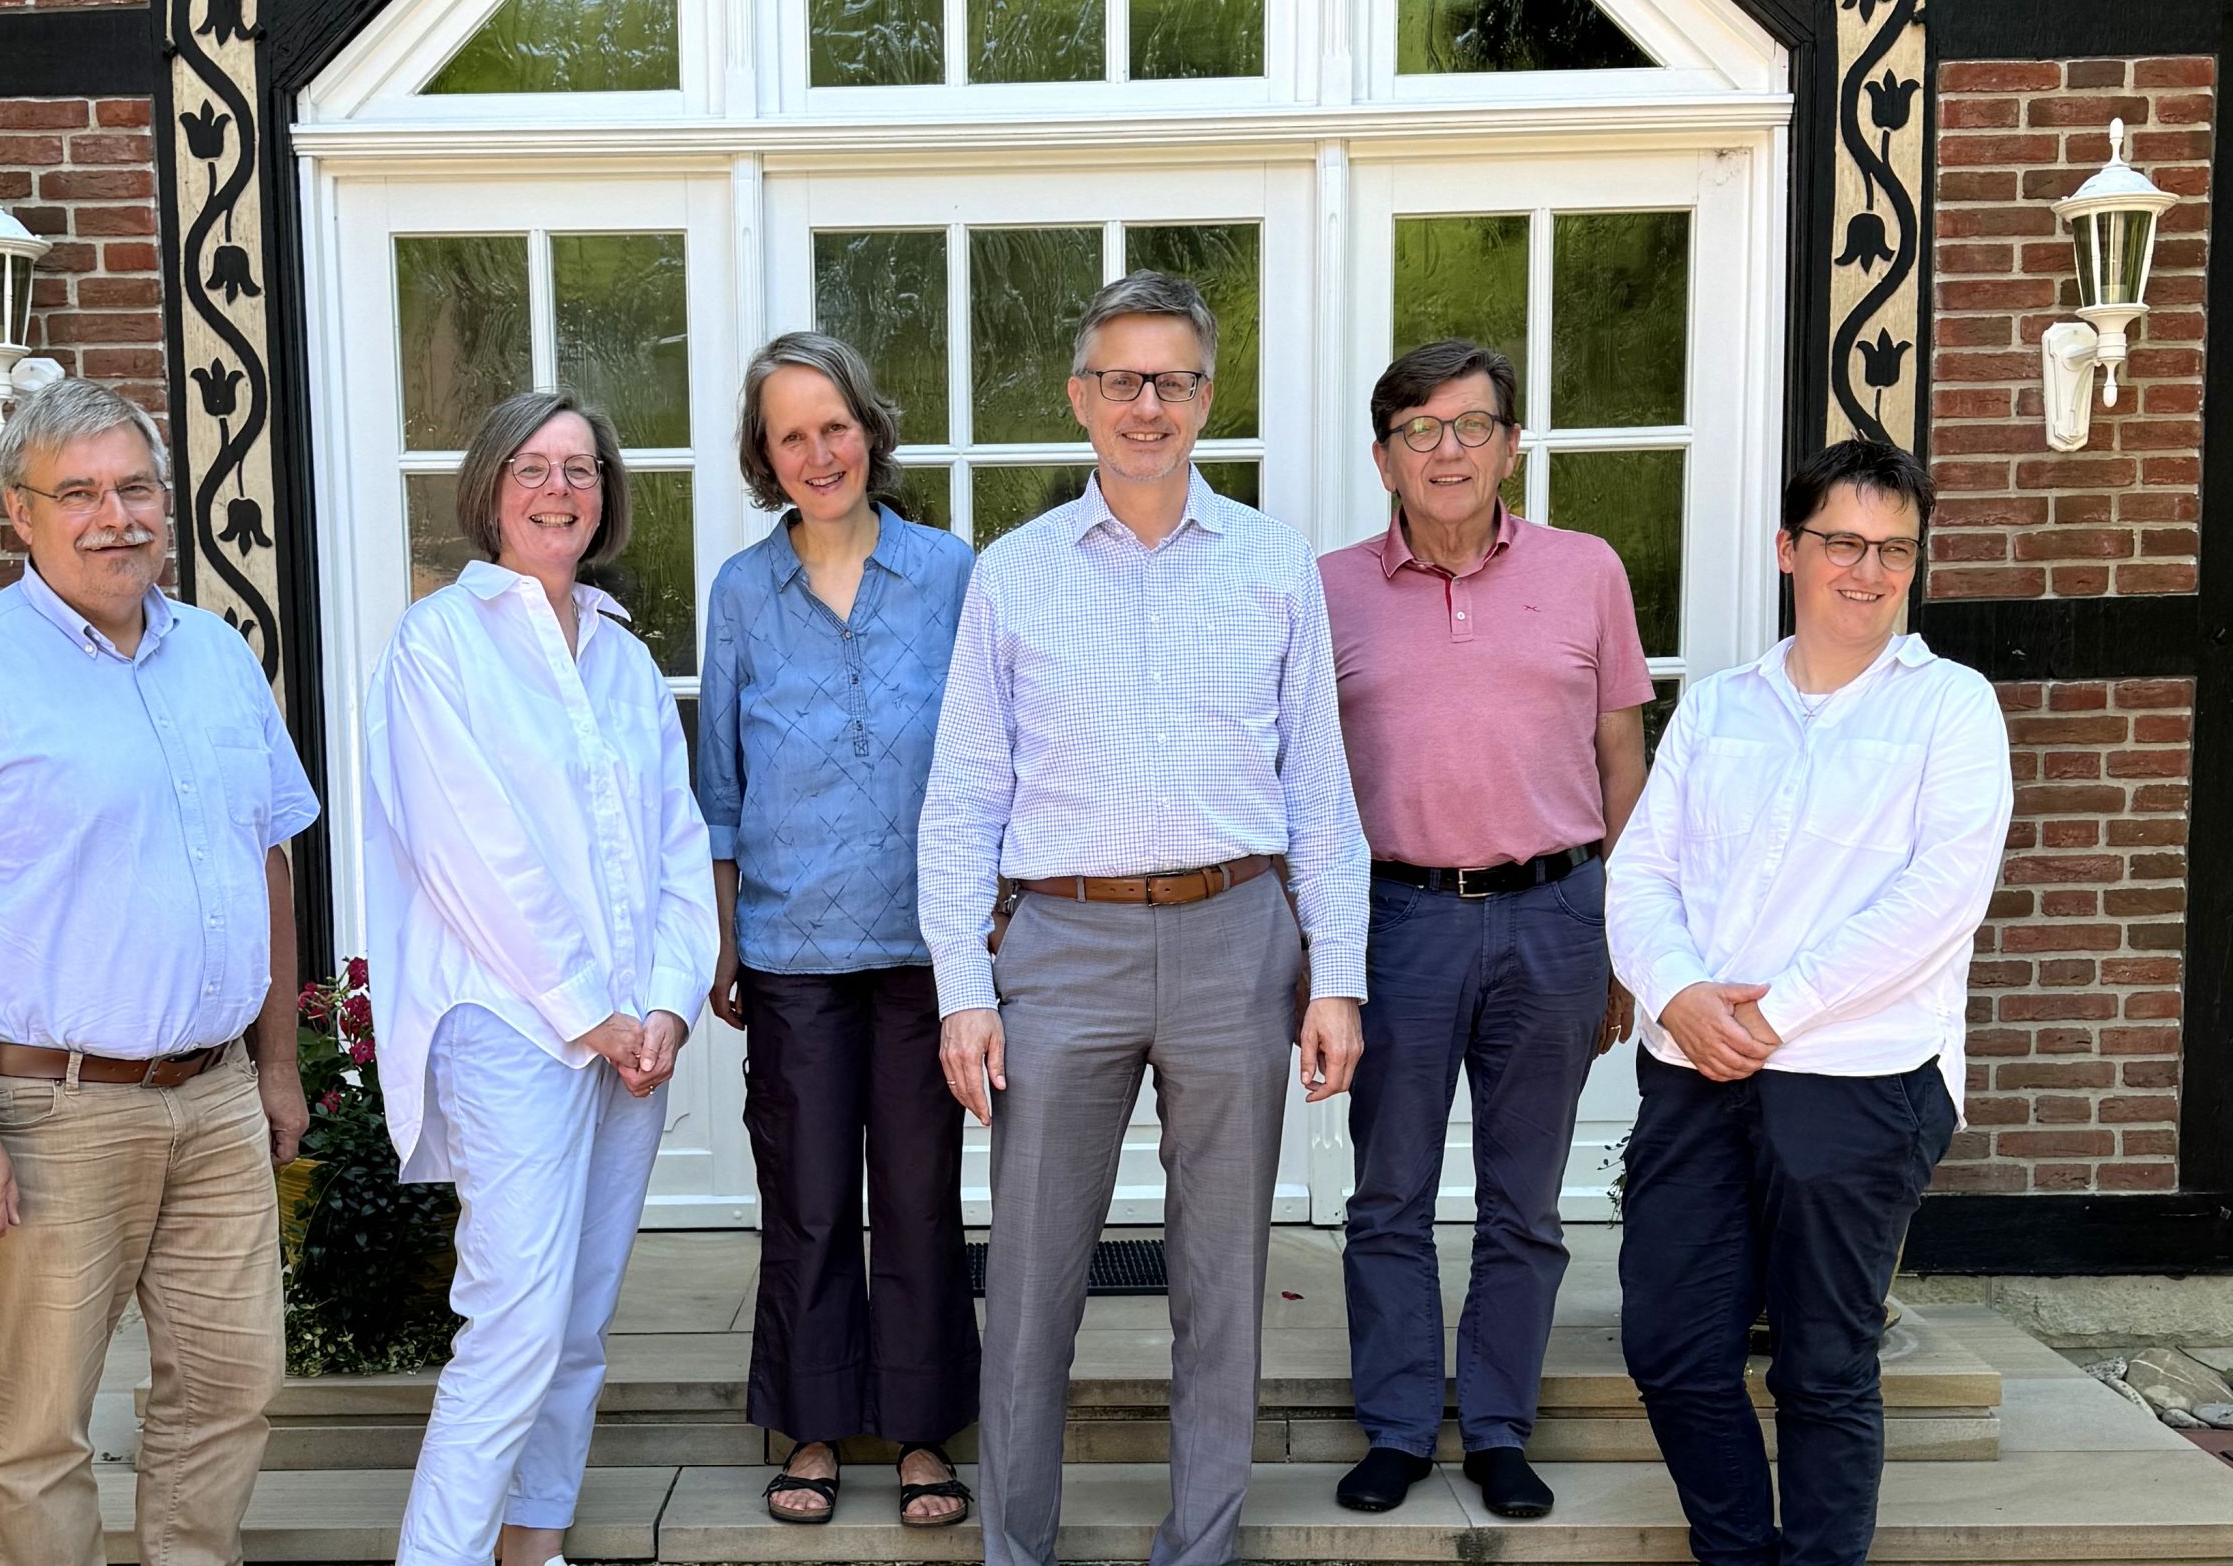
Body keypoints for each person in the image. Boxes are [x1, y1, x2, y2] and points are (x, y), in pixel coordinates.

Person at [920, 270, 1371, 1566]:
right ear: (1080, 397)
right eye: (1121, 379)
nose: (1146, 404)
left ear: (1207, 397)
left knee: (1223, 1276)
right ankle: (1017, 1547)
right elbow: (962, 794)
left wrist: (1335, 975)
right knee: (1032, 1277)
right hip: (1061, 946)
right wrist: (963, 987)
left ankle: (1201, 1544)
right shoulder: (1014, 574)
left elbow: (1319, 789)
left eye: (1172, 379)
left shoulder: (1275, 564)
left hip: (1238, 937)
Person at [0, 378, 318, 1566]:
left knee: (228, 1392)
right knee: (42, 1421)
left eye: (136, 487)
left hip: (214, 1099)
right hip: (50, 1109)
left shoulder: (217, 656)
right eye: (81, 493)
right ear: (21, 510)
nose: (117, 517)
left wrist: (276, 1064)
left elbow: (265, 862)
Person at [1607, 439, 2011, 1566]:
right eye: (1842, 542)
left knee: (1824, 1366)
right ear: (1789, 549)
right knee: (1671, 1346)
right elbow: (1640, 874)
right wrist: (1680, 994)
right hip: (1693, 1075)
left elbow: (1939, 898)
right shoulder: (1717, 708)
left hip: (1858, 1081)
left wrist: (1770, 1015)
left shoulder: (1951, 710)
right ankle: (1738, 1551)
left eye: (1894, 550)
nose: (1867, 572)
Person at [362, 391, 716, 1566]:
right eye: (532, 466)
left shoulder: (622, 655)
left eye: (580, 468)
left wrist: (664, 1003)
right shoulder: (438, 645)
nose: (558, 489)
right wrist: (592, 1012)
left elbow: (677, 844)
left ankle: (533, 1545)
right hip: (511, 1026)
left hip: (630, 1041)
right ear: (488, 487)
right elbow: (473, 854)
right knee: (513, 1321)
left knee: (576, 1320)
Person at [1318, 339, 1654, 1520]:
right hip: (1396, 919)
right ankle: (1399, 1425)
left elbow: (1623, 759)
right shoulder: (1326, 589)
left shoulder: (1585, 569)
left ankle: (1500, 1426)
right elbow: (1301, 784)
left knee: (1524, 1199)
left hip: (1555, 916)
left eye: (1471, 425)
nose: (1447, 449)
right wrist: (1320, 957)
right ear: (1383, 458)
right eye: (1419, 429)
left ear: (1511, 444)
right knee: (1388, 1192)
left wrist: (1624, 939)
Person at [698, 333, 980, 1528]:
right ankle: (810, 1424)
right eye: (791, 435)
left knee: (918, 1198)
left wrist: (988, 932)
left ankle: (921, 1431)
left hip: (927, 949)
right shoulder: (740, 591)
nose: (818, 453)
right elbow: (720, 783)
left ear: (869, 428)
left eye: (834, 426)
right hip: (791, 951)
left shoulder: (950, 572)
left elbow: (990, 761)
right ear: (765, 457)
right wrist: (722, 939)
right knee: (807, 1198)